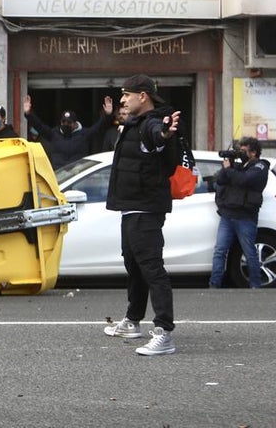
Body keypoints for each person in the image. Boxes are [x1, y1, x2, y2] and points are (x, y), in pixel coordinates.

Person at [102, 74, 182, 356]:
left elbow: (157, 135)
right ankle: (133, 321)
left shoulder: (151, 123)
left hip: (145, 208)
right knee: (134, 265)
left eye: (127, 95)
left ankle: (164, 333)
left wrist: (165, 133)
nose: (122, 100)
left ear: (143, 96)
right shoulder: (133, 124)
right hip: (131, 206)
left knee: (152, 269)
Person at [209, 137, 269, 289]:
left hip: (245, 217)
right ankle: (214, 285)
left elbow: (244, 180)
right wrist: (227, 166)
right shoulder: (237, 165)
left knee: (249, 253)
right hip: (228, 215)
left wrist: (230, 170)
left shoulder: (260, 167)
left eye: (243, 151)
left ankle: (255, 285)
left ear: (254, 152)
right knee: (220, 251)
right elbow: (220, 181)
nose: (240, 154)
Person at [23, 95, 114, 168]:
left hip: (77, 175)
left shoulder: (84, 134)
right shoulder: (54, 134)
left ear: (75, 123)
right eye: (63, 121)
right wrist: (28, 113)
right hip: (58, 174)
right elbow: (39, 126)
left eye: (69, 122)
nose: (66, 124)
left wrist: (107, 114)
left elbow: (99, 127)